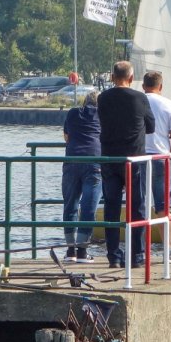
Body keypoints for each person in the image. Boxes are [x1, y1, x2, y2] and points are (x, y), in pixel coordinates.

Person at [96, 60, 155, 268]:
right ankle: (137, 255)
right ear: (131, 78)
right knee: (137, 207)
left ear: (112, 77)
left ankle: (113, 255)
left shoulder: (102, 98)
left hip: (109, 159)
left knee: (111, 207)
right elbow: (150, 127)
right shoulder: (140, 97)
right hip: (133, 160)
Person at [141, 70, 171, 257]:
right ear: (161, 86)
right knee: (164, 206)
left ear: (143, 86)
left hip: (140, 158)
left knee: (140, 204)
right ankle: (168, 249)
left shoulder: (138, 102)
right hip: (162, 158)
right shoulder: (168, 104)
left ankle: (141, 249)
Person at [60, 91, 101, 263]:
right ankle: (83, 251)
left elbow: (66, 137)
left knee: (70, 205)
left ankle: (71, 251)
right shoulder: (103, 115)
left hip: (72, 161)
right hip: (94, 162)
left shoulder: (72, 113)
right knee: (88, 207)